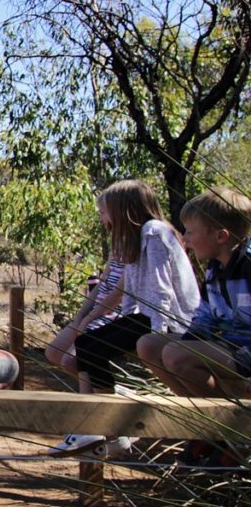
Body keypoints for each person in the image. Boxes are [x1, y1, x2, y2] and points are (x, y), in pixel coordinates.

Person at [55, 180, 200, 458]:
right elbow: (132, 290)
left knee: (92, 346)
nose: (102, 218)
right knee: (88, 344)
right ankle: (108, 428)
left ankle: (109, 425)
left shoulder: (154, 232)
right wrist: (118, 325)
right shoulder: (134, 237)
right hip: (143, 316)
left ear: (123, 210)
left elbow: (161, 289)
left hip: (167, 319)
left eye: (105, 211)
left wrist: (157, 334)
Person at [137, 187, 251, 399]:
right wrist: (191, 339)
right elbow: (205, 315)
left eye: (190, 231)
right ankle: (198, 412)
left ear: (220, 236)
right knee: (148, 345)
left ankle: (227, 421)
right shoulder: (214, 269)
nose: (185, 238)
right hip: (230, 344)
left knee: (176, 355)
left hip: (246, 351)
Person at [45, 193, 125, 377]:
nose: (101, 217)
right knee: (54, 353)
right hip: (97, 312)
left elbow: (120, 294)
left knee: (72, 360)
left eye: (103, 212)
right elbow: (102, 285)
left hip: (114, 314)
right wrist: (80, 316)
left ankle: (103, 393)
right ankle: (107, 389)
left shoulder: (136, 248)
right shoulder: (117, 245)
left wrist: (88, 320)